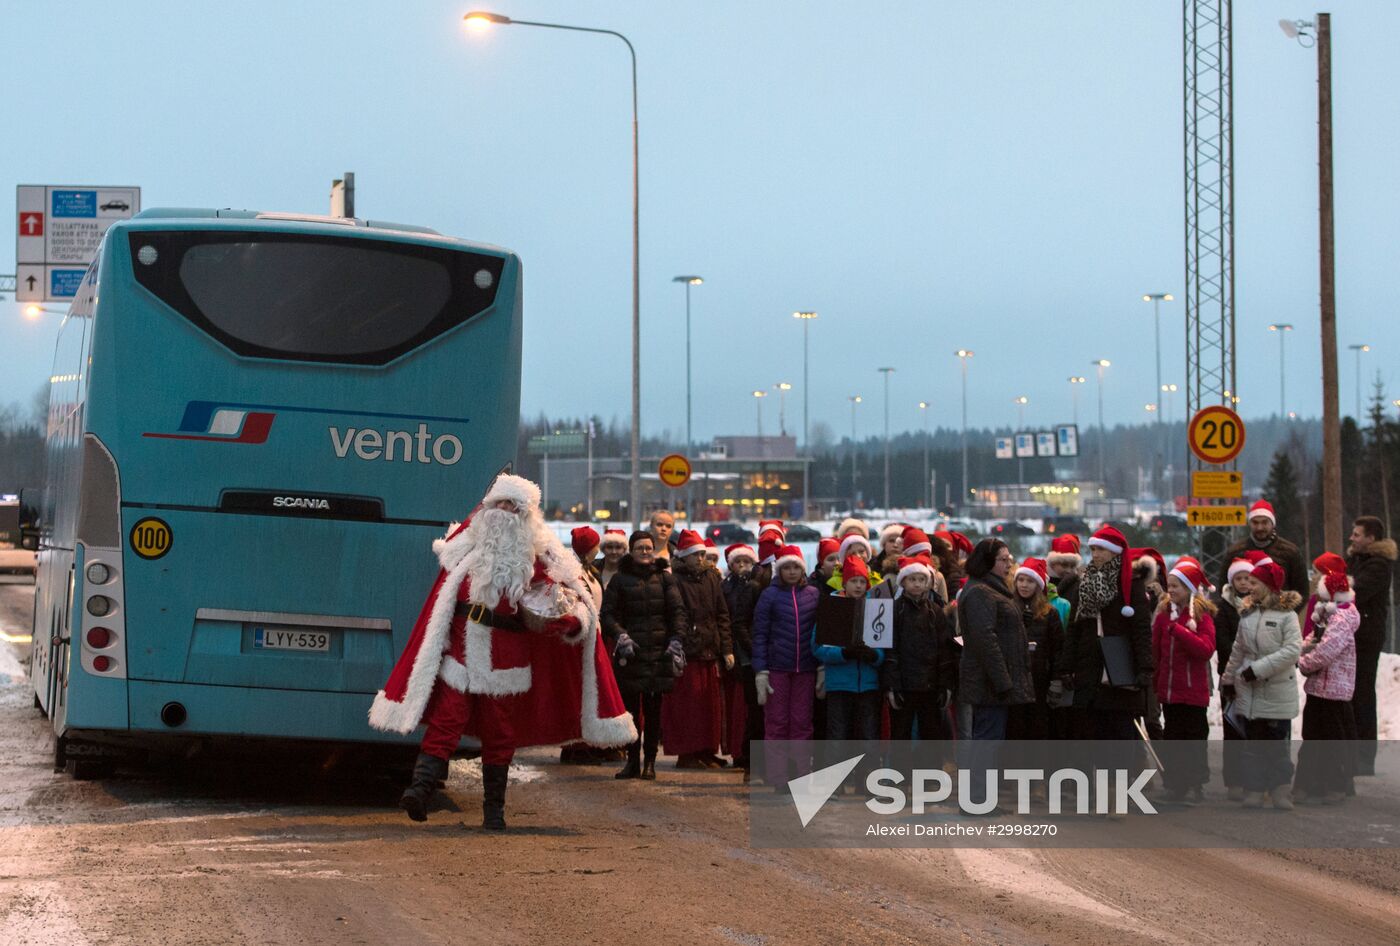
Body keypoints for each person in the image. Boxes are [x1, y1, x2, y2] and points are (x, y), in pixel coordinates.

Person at [371, 475, 635, 829]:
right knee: (445, 723)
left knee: (500, 734)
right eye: (501, 504)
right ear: (488, 507)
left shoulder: (541, 557)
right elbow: (445, 587)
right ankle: (419, 791)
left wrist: (572, 623)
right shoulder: (467, 545)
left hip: (507, 658)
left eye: (515, 507)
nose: (506, 512)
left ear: (528, 515)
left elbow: (574, 601)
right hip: (462, 654)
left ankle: (493, 811)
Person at [601, 530, 688, 781]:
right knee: (629, 713)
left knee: (653, 712)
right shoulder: (619, 580)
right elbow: (608, 614)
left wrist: (676, 639)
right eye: (640, 548)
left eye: (649, 548)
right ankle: (632, 762)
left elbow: (678, 613)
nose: (645, 552)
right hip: (631, 655)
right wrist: (620, 635)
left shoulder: (665, 579)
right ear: (632, 550)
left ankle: (650, 762)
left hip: (659, 655)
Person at [1062, 526, 1155, 742]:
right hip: (1089, 668)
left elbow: (1141, 629)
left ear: (1115, 552)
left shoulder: (1131, 585)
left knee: (1119, 734)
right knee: (1090, 735)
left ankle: (1118, 776)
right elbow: (1074, 628)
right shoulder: (1084, 584)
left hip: (1120, 667)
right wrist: (1066, 667)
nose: (1095, 554)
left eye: (1101, 549)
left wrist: (1144, 668)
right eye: (1093, 549)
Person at [1222, 561, 1302, 810]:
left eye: (1255, 583)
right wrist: (1228, 678)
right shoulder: (1247, 615)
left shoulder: (1287, 616)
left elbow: (1292, 651)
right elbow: (1238, 650)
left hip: (1277, 691)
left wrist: (1257, 670)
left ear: (1269, 586)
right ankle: (1255, 789)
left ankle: (1280, 791)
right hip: (1250, 692)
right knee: (1253, 746)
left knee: (1277, 746)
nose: (1249, 587)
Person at [752, 545, 821, 784]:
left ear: (802, 569)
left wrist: (821, 666)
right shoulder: (769, 596)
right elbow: (760, 634)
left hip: (806, 669)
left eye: (796, 567)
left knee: (802, 723)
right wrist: (760, 670)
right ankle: (779, 777)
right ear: (779, 570)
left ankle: (801, 774)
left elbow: (820, 632)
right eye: (786, 567)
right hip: (777, 669)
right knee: (777, 723)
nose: (791, 572)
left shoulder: (813, 594)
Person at [665, 530, 734, 769]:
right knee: (689, 705)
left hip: (709, 649)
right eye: (696, 554)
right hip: (688, 651)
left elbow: (721, 614)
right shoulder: (674, 580)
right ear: (684, 556)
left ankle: (706, 749)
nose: (701, 558)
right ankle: (687, 752)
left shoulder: (711, 578)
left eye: (703, 554)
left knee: (709, 706)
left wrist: (726, 648)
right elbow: (675, 614)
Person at [1151, 558, 1217, 803]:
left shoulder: (1202, 617)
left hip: (1193, 693)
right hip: (1170, 692)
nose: (1171, 590)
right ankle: (1174, 783)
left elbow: (1206, 649)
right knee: (1173, 738)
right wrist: (1155, 681)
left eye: (1176, 585)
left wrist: (1179, 631)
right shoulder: (1162, 616)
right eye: (1169, 584)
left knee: (1194, 739)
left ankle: (1194, 783)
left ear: (1188, 588)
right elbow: (1155, 651)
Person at [1294, 560, 1360, 804]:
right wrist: (1298, 648)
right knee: (1311, 739)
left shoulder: (1342, 619)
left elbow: (1326, 650)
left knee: (1332, 742)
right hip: (1318, 687)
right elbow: (1313, 636)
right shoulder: (1325, 613)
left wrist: (1303, 663)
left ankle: (1335, 785)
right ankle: (1309, 784)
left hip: (1334, 690)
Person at [883, 555, 957, 742]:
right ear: (903, 582)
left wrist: (945, 684)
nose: (917, 584)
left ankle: (930, 771)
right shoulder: (894, 610)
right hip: (904, 685)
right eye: (912, 579)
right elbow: (890, 649)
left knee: (931, 735)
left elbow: (944, 650)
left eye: (921, 579)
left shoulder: (935, 611)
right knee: (901, 735)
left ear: (928, 583)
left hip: (930, 686)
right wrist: (892, 686)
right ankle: (902, 771)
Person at [1211, 553, 1265, 800]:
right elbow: (1222, 642)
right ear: (1232, 581)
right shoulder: (1224, 608)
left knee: (1254, 729)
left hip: (1255, 674)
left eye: (1248, 578)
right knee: (1233, 728)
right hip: (1232, 675)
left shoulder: (1260, 605)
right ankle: (1233, 780)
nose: (1244, 583)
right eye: (1239, 578)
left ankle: (1253, 779)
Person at [814, 556, 885, 740]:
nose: (859, 586)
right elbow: (817, 647)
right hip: (839, 684)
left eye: (862, 581)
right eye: (854, 581)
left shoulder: (877, 609)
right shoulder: (832, 606)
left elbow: (885, 647)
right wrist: (843, 653)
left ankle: (867, 769)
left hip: (868, 684)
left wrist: (874, 656)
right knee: (838, 736)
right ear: (845, 582)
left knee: (868, 736)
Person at [1346, 515, 1395, 777]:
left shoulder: (1378, 565)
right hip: (1351, 635)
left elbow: (1357, 593)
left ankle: (1364, 756)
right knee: (1350, 696)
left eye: (1357, 534)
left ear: (1371, 538)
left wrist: (1339, 584)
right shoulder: (1356, 560)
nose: (1352, 538)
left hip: (1366, 637)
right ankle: (1350, 754)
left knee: (1363, 695)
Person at [1006, 557, 1067, 742]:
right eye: (1021, 580)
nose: (1024, 585)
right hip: (1013, 682)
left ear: (1038, 585)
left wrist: (1056, 681)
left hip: (1040, 682)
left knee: (1038, 732)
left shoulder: (1049, 613)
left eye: (1030, 581)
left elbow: (1058, 650)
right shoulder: (1008, 609)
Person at [722, 543, 763, 775]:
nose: (742, 566)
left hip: (751, 653)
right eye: (738, 562)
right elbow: (736, 622)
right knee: (750, 708)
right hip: (743, 654)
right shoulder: (726, 587)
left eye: (747, 562)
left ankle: (750, 757)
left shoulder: (756, 587)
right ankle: (746, 756)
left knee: (755, 708)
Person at [1219, 500, 1308, 605]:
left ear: (1272, 523)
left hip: (1278, 616)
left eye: (1264, 522)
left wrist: (1286, 615)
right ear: (1250, 523)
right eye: (1255, 522)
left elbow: (1302, 591)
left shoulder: (1290, 552)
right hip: (1242, 617)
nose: (1259, 527)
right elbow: (1224, 588)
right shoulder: (1235, 552)